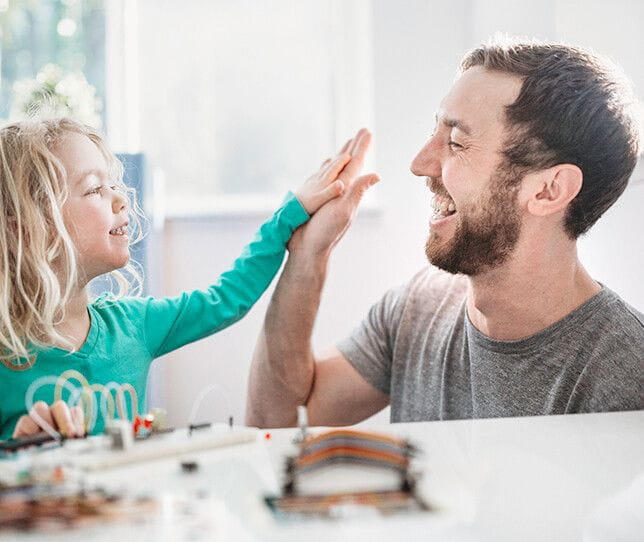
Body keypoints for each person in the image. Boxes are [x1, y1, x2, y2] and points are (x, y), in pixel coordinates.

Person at [246, 38, 644, 428]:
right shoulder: (419, 307)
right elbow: (276, 425)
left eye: (456, 142)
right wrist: (307, 255)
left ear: (548, 190)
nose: (419, 164)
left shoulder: (625, 378)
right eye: (434, 132)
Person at [0, 118, 379, 440]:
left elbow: (227, 299)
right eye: (96, 189)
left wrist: (291, 213)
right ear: (25, 226)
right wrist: (9, 458)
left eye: (114, 184)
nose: (121, 199)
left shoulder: (133, 326)